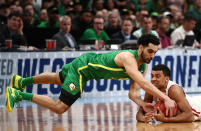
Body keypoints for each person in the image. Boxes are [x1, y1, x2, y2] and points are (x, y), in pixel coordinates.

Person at [5, 34, 176, 116]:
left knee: (58, 78)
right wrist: (166, 98)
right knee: (60, 108)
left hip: (85, 63)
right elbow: (145, 84)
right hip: (83, 68)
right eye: (150, 51)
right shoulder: (128, 58)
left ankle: (21, 81)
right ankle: (18, 94)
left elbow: (133, 92)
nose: (152, 56)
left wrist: (141, 103)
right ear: (140, 47)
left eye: (155, 52)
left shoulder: (142, 67)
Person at [136, 64, 201, 123]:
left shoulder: (174, 90)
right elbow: (140, 112)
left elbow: (189, 116)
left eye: (157, 76)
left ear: (167, 79)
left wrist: (165, 119)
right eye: (152, 76)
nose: (153, 79)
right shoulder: (150, 90)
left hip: (198, 109)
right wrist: (144, 119)